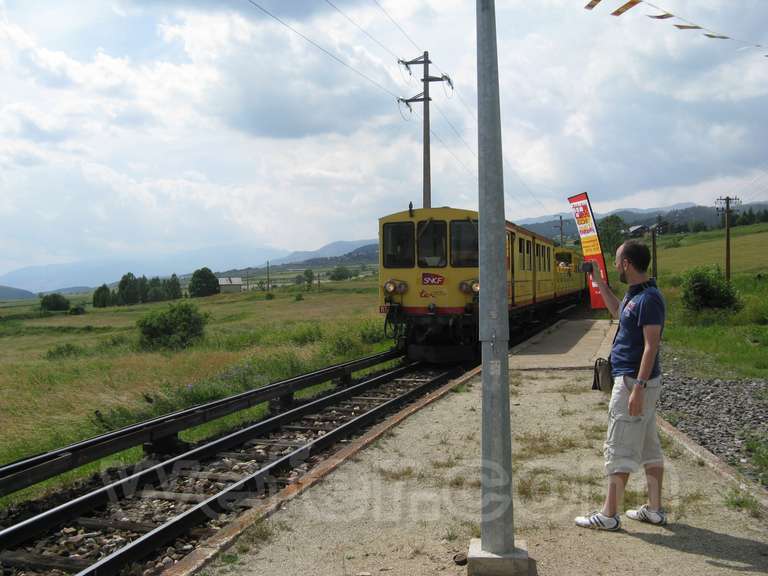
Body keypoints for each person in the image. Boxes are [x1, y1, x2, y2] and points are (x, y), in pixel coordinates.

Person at [575, 240, 667, 531]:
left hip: (633, 382)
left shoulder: (649, 298)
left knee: (619, 447)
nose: (615, 266)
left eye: (616, 261)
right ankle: (654, 510)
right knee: (650, 447)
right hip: (634, 381)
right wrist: (599, 281)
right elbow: (618, 311)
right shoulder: (634, 294)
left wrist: (637, 388)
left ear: (627, 263)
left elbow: (651, 346)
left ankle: (608, 514)